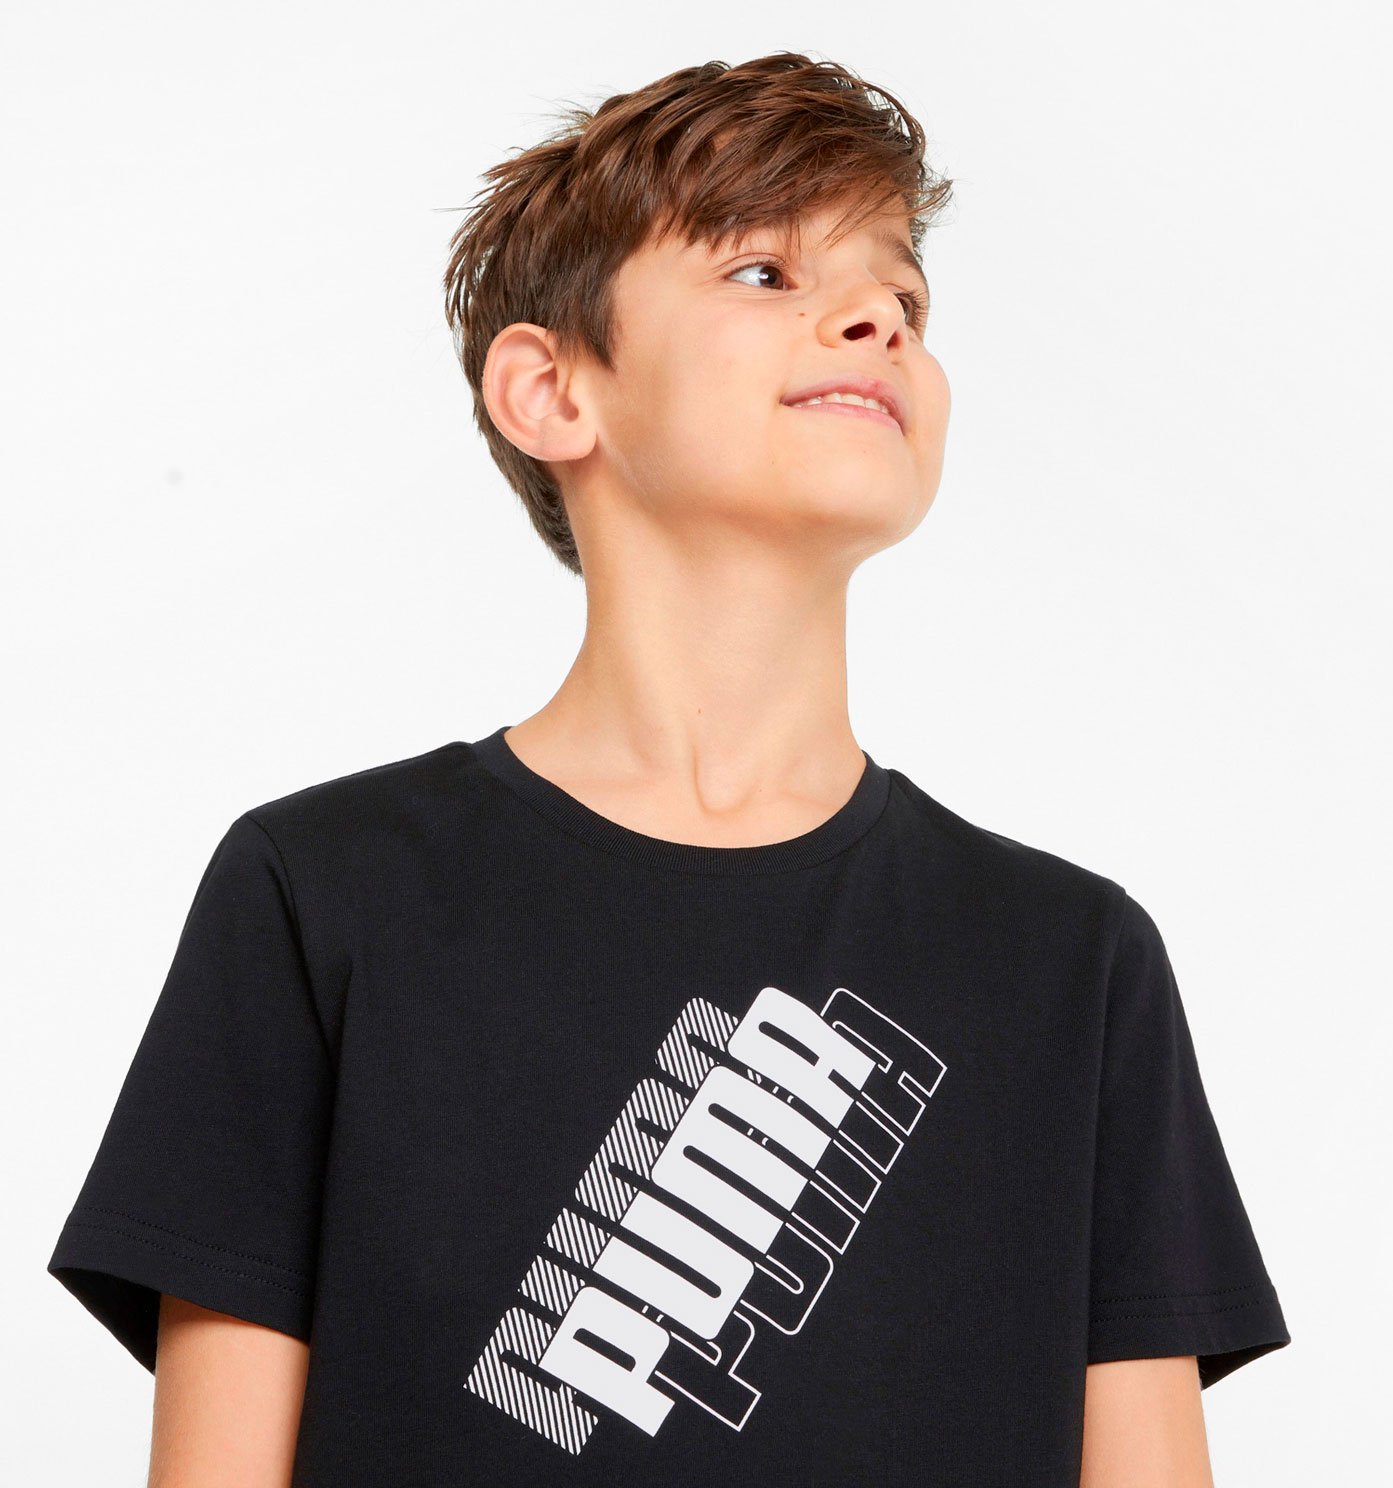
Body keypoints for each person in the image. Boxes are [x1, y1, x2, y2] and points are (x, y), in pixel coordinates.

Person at [47, 50, 1289, 1488]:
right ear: (551, 390)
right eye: (764, 272)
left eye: (903, 296)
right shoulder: (323, 896)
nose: (877, 318)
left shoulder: (1071, 962)